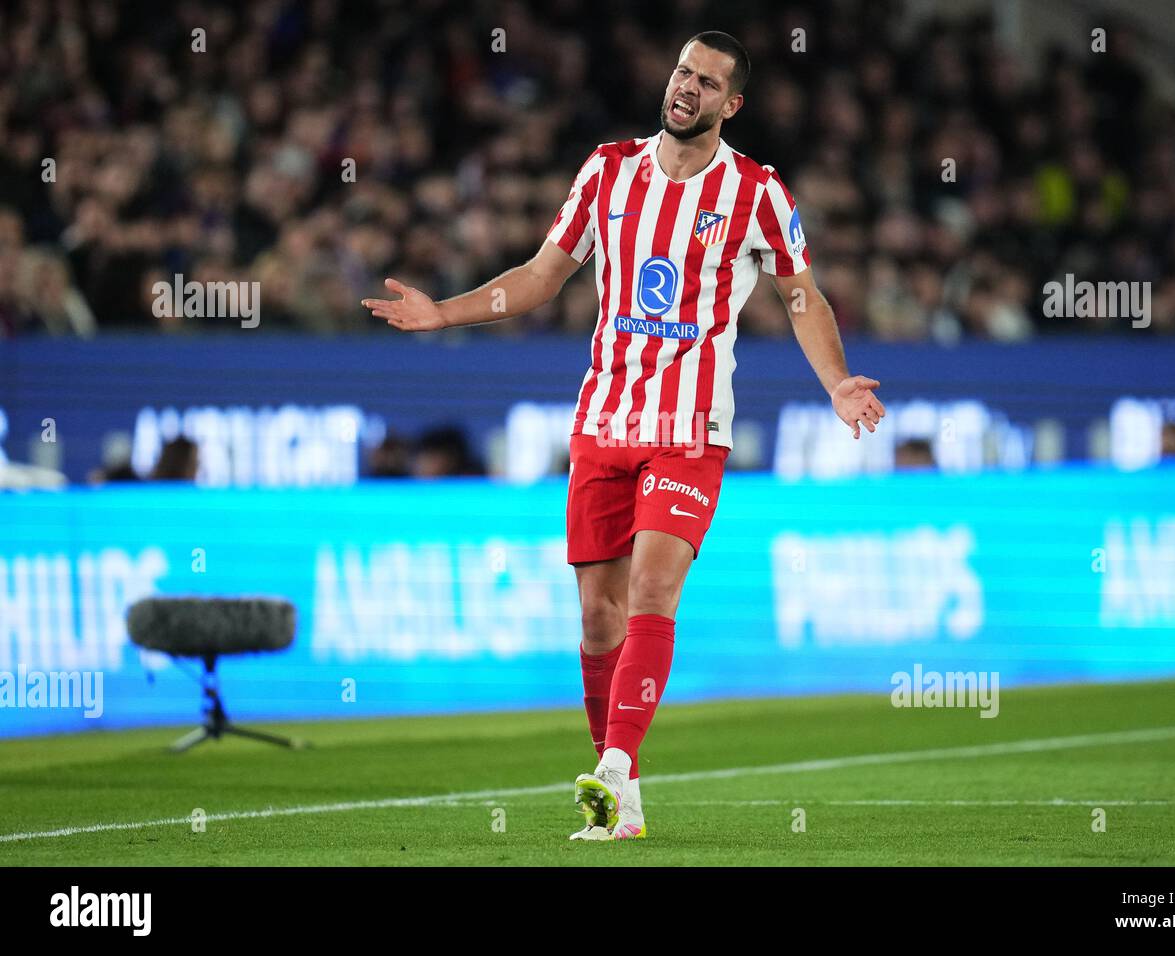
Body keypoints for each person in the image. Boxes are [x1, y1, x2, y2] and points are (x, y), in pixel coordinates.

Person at [362, 31, 885, 841]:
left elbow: (800, 295)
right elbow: (542, 275)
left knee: (650, 592)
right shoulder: (607, 169)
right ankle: (625, 802)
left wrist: (837, 383)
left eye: (707, 83)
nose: (686, 88)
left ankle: (612, 765)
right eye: (682, 72)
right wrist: (445, 313)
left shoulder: (756, 192)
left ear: (730, 104)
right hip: (603, 423)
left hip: (690, 429)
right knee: (598, 621)